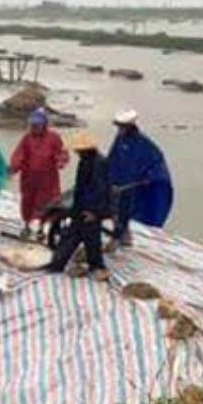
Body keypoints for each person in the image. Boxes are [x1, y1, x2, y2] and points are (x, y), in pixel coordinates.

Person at [46, 130, 112, 280]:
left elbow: (100, 190)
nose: (76, 151)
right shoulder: (86, 161)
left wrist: (94, 213)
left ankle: (96, 267)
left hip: (91, 209)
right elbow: (81, 187)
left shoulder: (98, 164)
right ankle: (59, 263)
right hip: (81, 207)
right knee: (76, 236)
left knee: (90, 240)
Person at [106, 109, 173, 249]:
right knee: (116, 211)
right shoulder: (120, 140)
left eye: (122, 126)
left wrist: (148, 178)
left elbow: (156, 164)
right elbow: (113, 160)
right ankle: (122, 235)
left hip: (133, 186)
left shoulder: (144, 143)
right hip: (120, 185)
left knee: (124, 211)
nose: (119, 129)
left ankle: (121, 238)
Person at [10, 107, 69, 241]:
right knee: (27, 203)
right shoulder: (27, 138)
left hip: (48, 179)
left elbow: (61, 153)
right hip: (29, 178)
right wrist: (13, 168)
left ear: (44, 125)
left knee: (46, 204)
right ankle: (26, 226)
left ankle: (42, 228)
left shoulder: (54, 138)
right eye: (32, 125)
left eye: (37, 125)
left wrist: (60, 161)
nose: (34, 127)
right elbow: (19, 155)